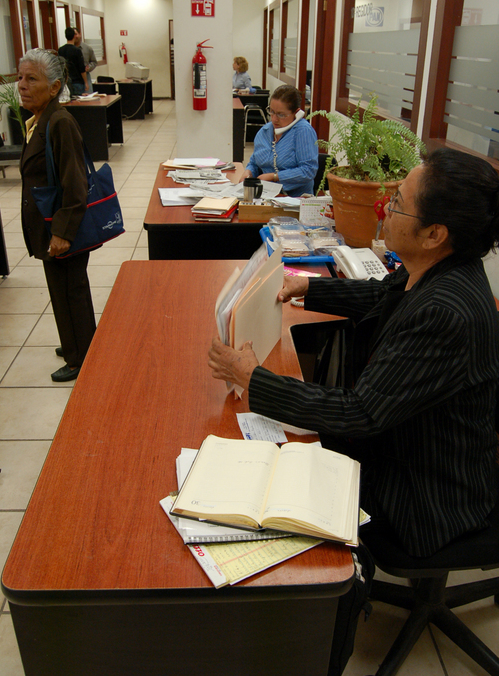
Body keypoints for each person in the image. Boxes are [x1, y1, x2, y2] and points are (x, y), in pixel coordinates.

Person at [209, 148, 499, 558]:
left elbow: (361, 413)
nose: (385, 210)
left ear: (435, 234)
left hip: (422, 496)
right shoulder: (440, 267)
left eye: (397, 203)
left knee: (266, 485)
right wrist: (309, 287)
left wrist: (253, 379)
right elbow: (384, 295)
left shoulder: (445, 313)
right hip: (402, 444)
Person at [18, 48, 96, 382]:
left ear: (53, 87)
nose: (22, 85)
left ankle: (80, 357)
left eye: (31, 79)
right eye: (20, 77)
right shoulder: (39, 120)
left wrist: (63, 232)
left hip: (62, 226)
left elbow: (75, 183)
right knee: (62, 288)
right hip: (49, 223)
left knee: (69, 291)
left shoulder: (59, 122)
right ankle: (78, 342)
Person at [244, 84, 318, 196]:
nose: (274, 119)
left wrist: (274, 177)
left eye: (281, 115)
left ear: (296, 113)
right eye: (272, 111)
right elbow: (254, 163)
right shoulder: (264, 132)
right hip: (266, 195)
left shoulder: (303, 131)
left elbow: (308, 170)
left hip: (295, 198)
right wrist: (248, 172)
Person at [58, 27, 88, 96]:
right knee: (79, 100)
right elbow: (82, 68)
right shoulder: (77, 50)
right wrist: (86, 82)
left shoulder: (60, 50)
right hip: (77, 82)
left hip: (66, 82)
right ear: (74, 36)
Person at [73, 28, 97, 92]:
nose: (75, 36)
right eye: (73, 35)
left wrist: (89, 67)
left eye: (76, 34)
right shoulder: (69, 49)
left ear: (80, 34)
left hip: (86, 76)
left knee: (88, 95)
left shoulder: (87, 48)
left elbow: (94, 62)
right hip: (73, 78)